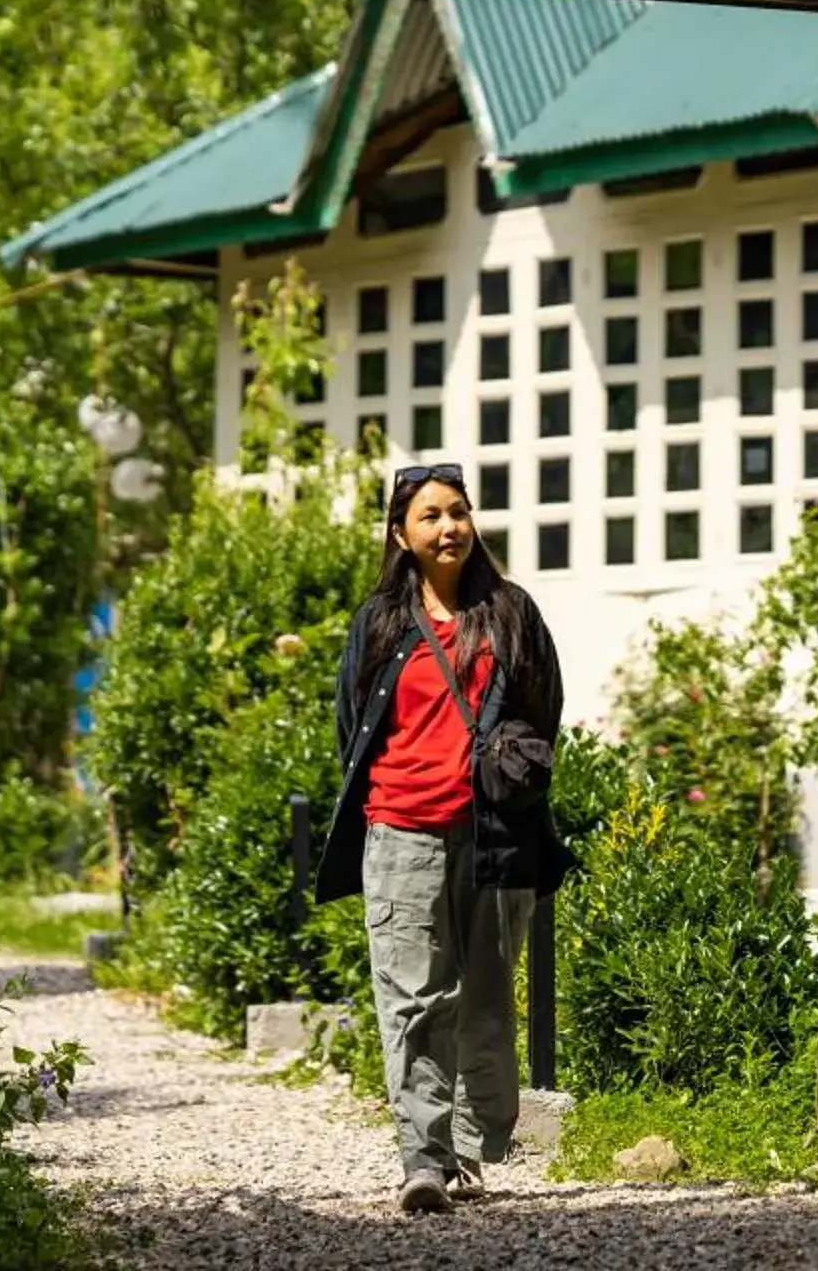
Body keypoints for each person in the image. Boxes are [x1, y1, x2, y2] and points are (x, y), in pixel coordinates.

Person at [314, 461, 569, 1214]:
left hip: (493, 834)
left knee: (486, 1001)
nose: (447, 527)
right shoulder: (380, 622)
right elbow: (349, 726)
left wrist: (499, 770)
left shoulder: (511, 612)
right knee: (416, 1001)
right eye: (429, 516)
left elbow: (542, 708)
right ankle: (422, 1160)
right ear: (402, 533)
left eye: (456, 512)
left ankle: (464, 1148)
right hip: (400, 831)